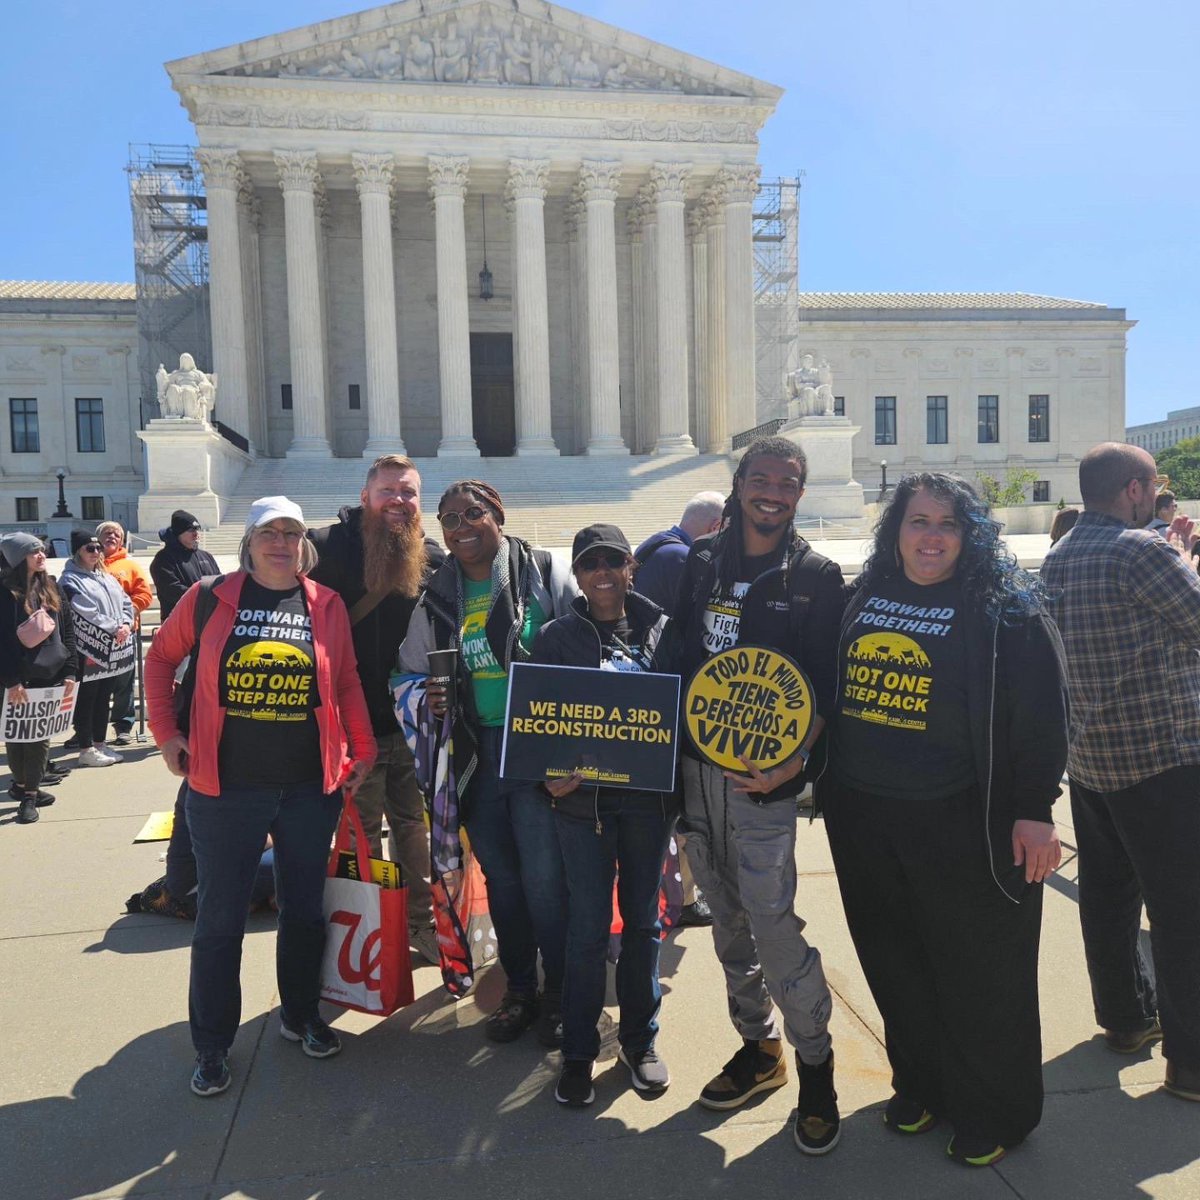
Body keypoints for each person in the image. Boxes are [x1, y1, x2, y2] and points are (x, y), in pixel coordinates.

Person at [824, 472, 1068, 1167]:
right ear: (894, 530)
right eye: (917, 521)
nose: (931, 537)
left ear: (971, 535)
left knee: (979, 971)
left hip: (968, 821)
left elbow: (1042, 720)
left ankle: (992, 1108)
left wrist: (1035, 813)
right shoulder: (862, 599)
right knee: (895, 960)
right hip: (866, 815)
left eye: (948, 524)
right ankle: (922, 1085)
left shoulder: (1005, 612)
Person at [145, 495, 375, 1098]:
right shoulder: (209, 597)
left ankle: (300, 1015)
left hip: (308, 787)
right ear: (248, 541)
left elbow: (346, 680)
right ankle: (213, 1044)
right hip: (225, 790)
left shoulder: (324, 605)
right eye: (268, 532)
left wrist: (362, 747)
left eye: (292, 533)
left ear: (304, 543)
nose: (280, 542)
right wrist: (166, 734)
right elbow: (160, 659)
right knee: (219, 920)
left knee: (303, 910)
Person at [668, 435, 843, 1155]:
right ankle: (759, 1049)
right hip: (697, 774)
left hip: (762, 781)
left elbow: (827, 690)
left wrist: (791, 767)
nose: (773, 491)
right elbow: (676, 654)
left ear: (800, 493)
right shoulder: (702, 560)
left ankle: (816, 1067)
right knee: (728, 926)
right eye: (761, 478)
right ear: (739, 484)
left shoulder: (817, 576)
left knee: (771, 926)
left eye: (789, 481)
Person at [1041, 443, 1200, 1105]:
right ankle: (1191, 1064)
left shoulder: (1057, 555)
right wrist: (1185, 555)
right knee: (1183, 911)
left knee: (1108, 899)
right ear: (1135, 489)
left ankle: (1127, 1019)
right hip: (1162, 758)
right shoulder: (1142, 551)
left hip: (1093, 759)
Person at [397, 480, 577, 1046]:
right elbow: (403, 676)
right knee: (503, 879)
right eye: (448, 519)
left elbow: (586, 645)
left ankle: (564, 995)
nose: (460, 527)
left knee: (547, 881)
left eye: (472, 513)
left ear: (497, 514)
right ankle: (520, 989)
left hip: (538, 752)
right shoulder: (436, 596)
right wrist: (426, 694)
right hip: (475, 757)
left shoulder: (543, 574)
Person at [531, 523, 676, 1107]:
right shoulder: (556, 636)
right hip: (582, 806)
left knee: (642, 925)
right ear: (579, 574)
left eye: (613, 560)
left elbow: (681, 704)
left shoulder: (663, 631)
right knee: (587, 930)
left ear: (630, 567)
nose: (603, 573)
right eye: (590, 564)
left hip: (645, 803)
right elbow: (538, 718)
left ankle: (640, 1043)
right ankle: (579, 1051)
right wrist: (548, 774)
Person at [308, 454, 445, 965]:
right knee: (359, 836)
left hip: (411, 726)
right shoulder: (325, 548)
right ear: (365, 496)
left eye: (408, 493)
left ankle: (419, 924)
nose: (399, 501)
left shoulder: (430, 557)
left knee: (413, 827)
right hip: (350, 728)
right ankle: (369, 932)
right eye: (388, 491)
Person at [633, 490, 725, 930]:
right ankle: (684, 898)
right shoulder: (683, 560)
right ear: (715, 528)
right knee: (685, 810)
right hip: (677, 701)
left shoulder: (651, 550)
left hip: (647, 698)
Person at [0, 533, 77, 822]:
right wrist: (10, 679)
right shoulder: (5, 593)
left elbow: (68, 631)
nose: (42, 555)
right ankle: (22, 786)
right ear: (19, 559)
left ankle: (29, 794)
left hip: (50, 674)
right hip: (16, 677)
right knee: (16, 736)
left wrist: (71, 669)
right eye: (34, 552)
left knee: (39, 738)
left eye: (42, 550)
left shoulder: (52, 587)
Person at [60, 532, 134, 768]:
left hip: (112, 648)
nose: (95, 552)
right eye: (89, 548)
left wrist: (125, 624)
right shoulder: (69, 579)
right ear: (77, 551)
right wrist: (115, 628)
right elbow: (84, 610)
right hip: (88, 649)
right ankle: (85, 747)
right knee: (87, 699)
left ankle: (100, 744)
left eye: (97, 548)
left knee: (104, 697)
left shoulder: (106, 576)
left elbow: (125, 601)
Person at [97, 521, 153, 746]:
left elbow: (144, 595)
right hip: (94, 636)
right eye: (107, 533)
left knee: (123, 683)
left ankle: (123, 726)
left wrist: (124, 616)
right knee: (94, 685)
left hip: (123, 634)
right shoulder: (89, 563)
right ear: (98, 539)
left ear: (121, 540)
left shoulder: (130, 566)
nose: (112, 537)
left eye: (116, 534)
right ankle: (89, 728)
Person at [150, 510, 219, 621]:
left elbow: (219, 583)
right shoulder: (163, 559)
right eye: (191, 530)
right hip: (178, 624)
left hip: (208, 621)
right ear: (179, 534)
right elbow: (173, 591)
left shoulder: (206, 556)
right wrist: (206, 598)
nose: (196, 533)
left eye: (197, 529)